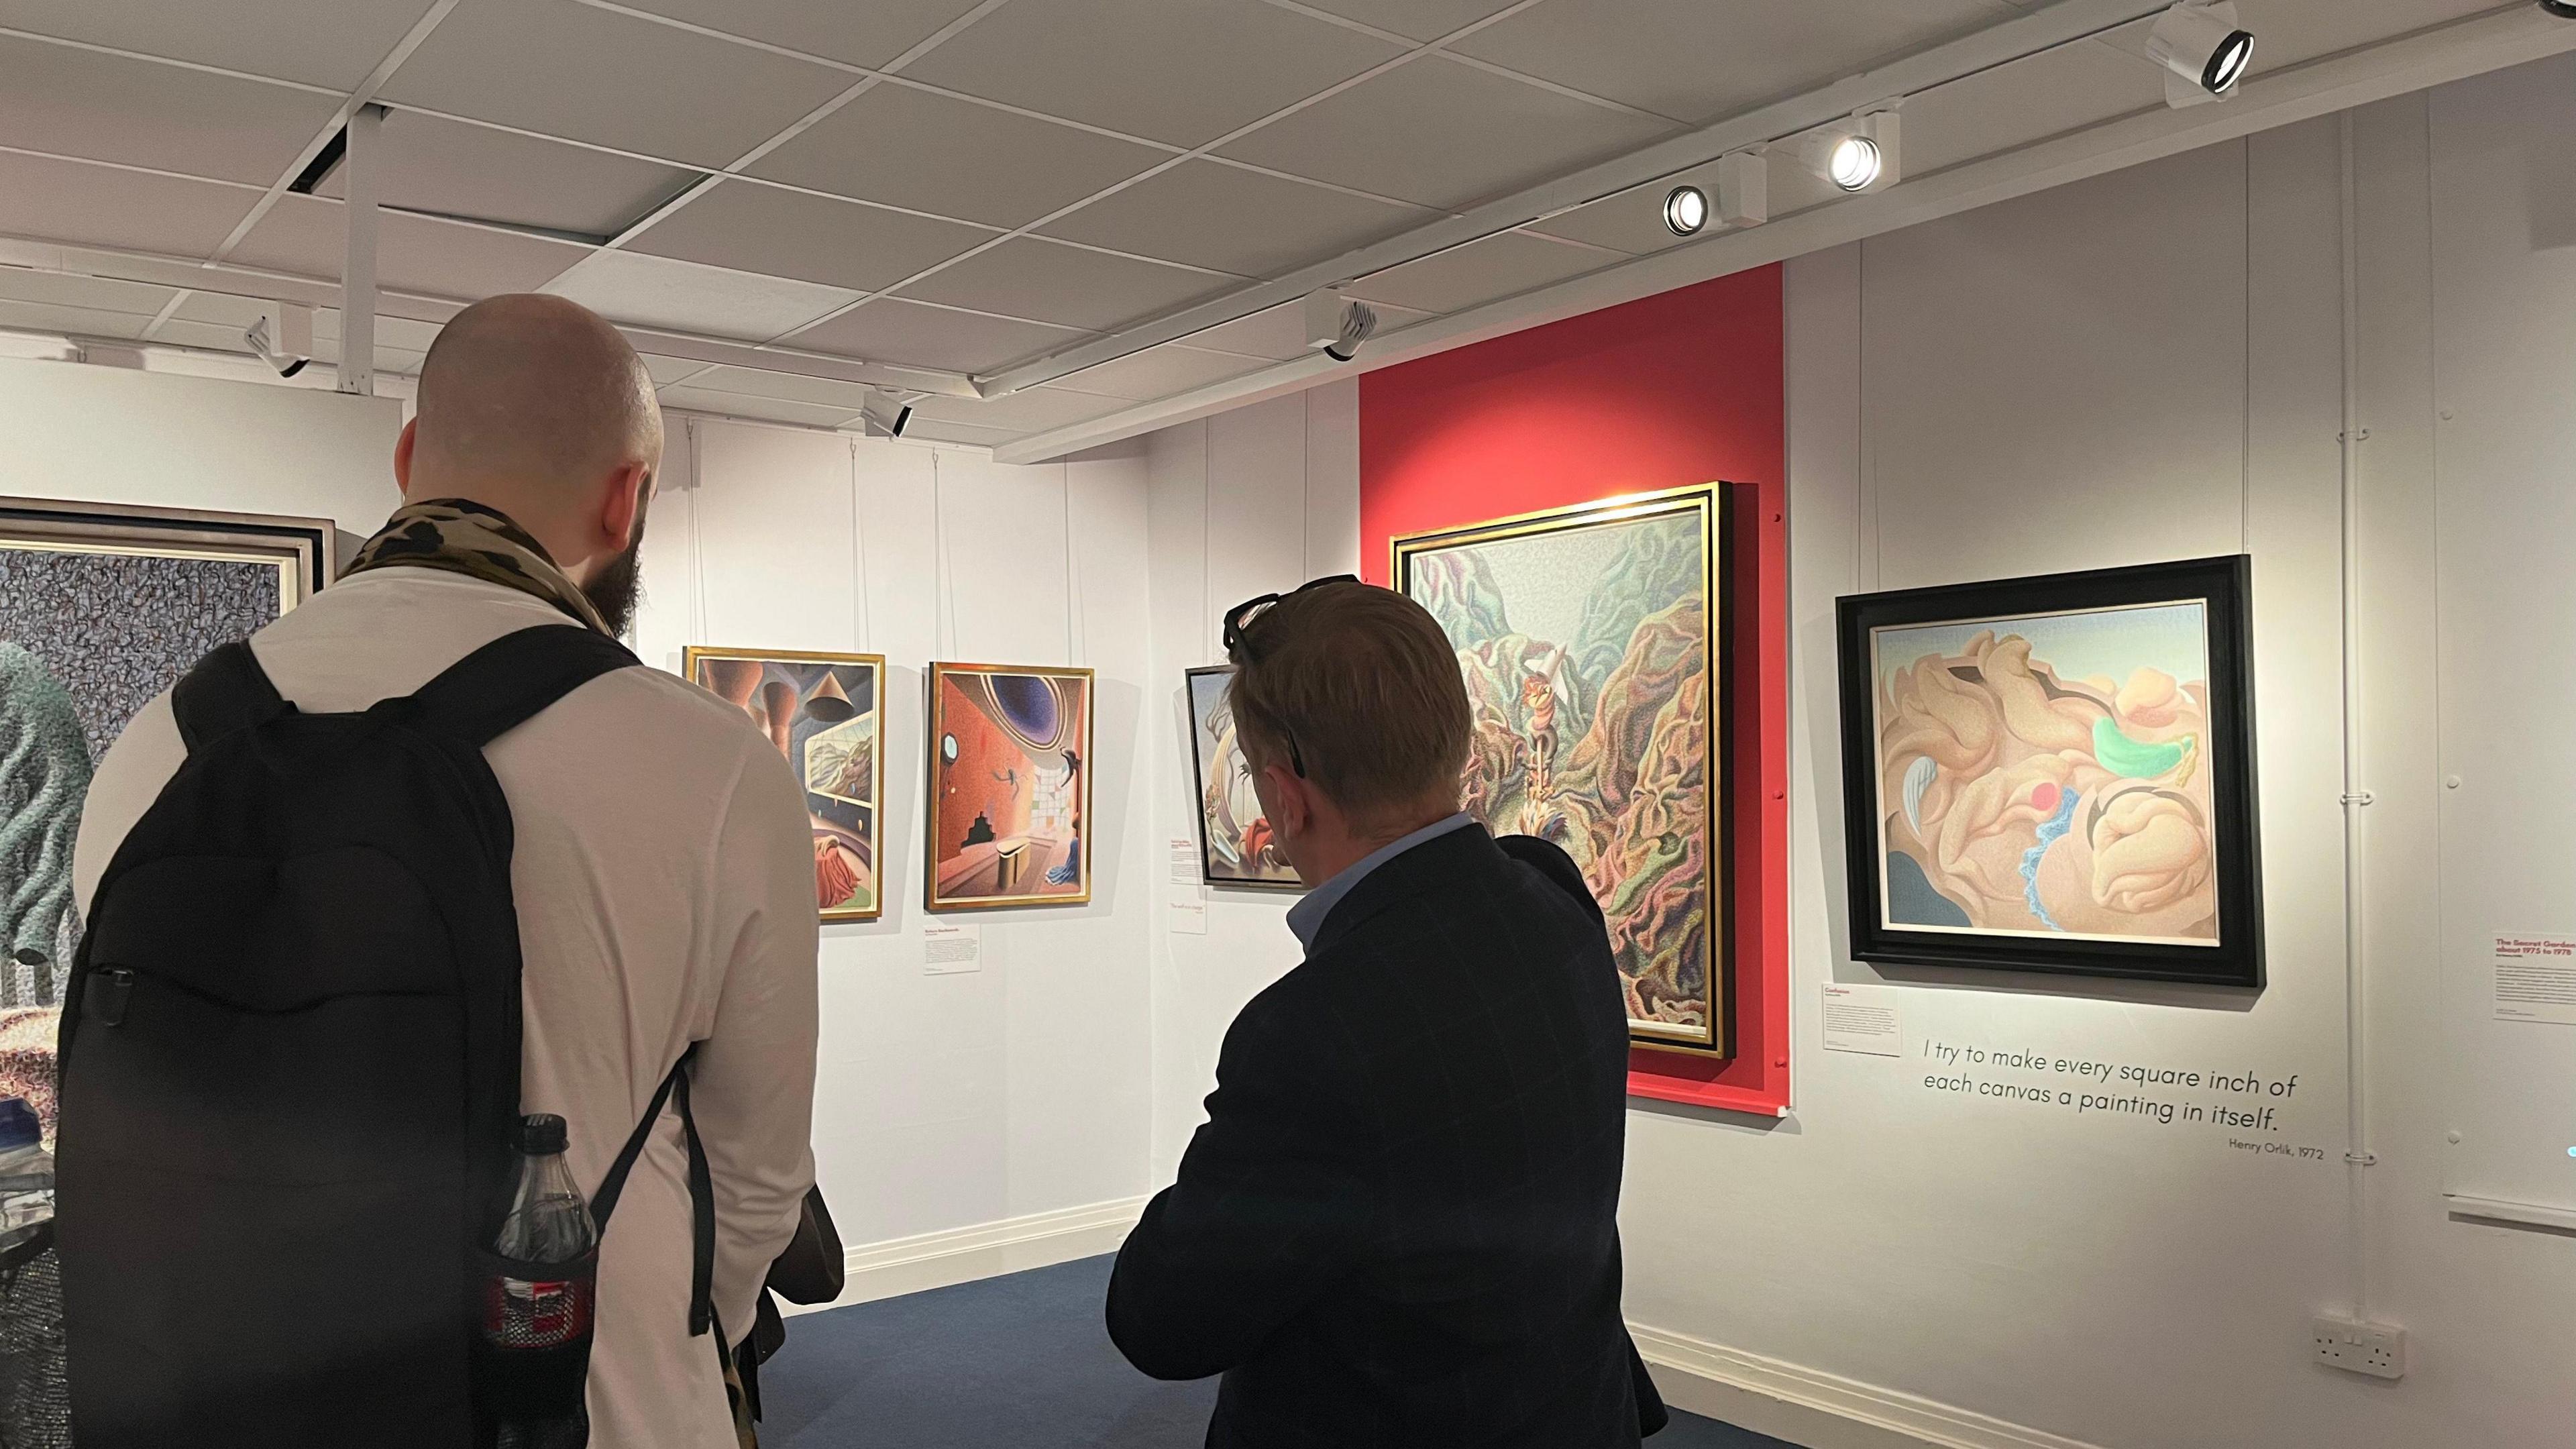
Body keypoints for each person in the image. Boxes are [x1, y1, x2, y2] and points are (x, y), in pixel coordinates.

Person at [70, 294, 820, 1447]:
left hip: (227, 1388)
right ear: (628, 500)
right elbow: (759, 1185)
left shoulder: (158, 744)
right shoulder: (715, 767)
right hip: (583, 1400)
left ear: (410, 458)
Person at [1107, 577, 1666, 1448]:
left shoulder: (1311, 1031)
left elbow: (1162, 1322)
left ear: (1287, 799)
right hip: (1575, 1414)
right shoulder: (1553, 894)